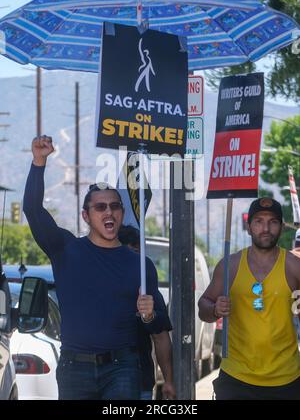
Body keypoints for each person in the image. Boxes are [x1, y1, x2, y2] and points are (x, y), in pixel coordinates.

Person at [23, 135, 167, 400]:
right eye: (100, 207)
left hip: (123, 368)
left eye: (115, 206)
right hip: (74, 368)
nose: (108, 212)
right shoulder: (65, 249)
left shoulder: (140, 264)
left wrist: (148, 317)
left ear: (123, 213)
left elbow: (158, 327)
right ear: (86, 216)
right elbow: (32, 210)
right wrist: (39, 162)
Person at [198, 197, 300, 400]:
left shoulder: (293, 266)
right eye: (259, 221)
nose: (265, 228)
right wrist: (215, 309)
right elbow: (203, 306)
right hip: (236, 378)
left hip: (286, 379)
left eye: (272, 222)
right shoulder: (230, 265)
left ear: (281, 227)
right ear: (249, 227)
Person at [118, 225, 176, 400]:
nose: (134, 262)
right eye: (128, 254)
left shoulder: (145, 276)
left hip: (139, 377)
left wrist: (168, 380)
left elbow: (160, 334)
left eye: (137, 254)